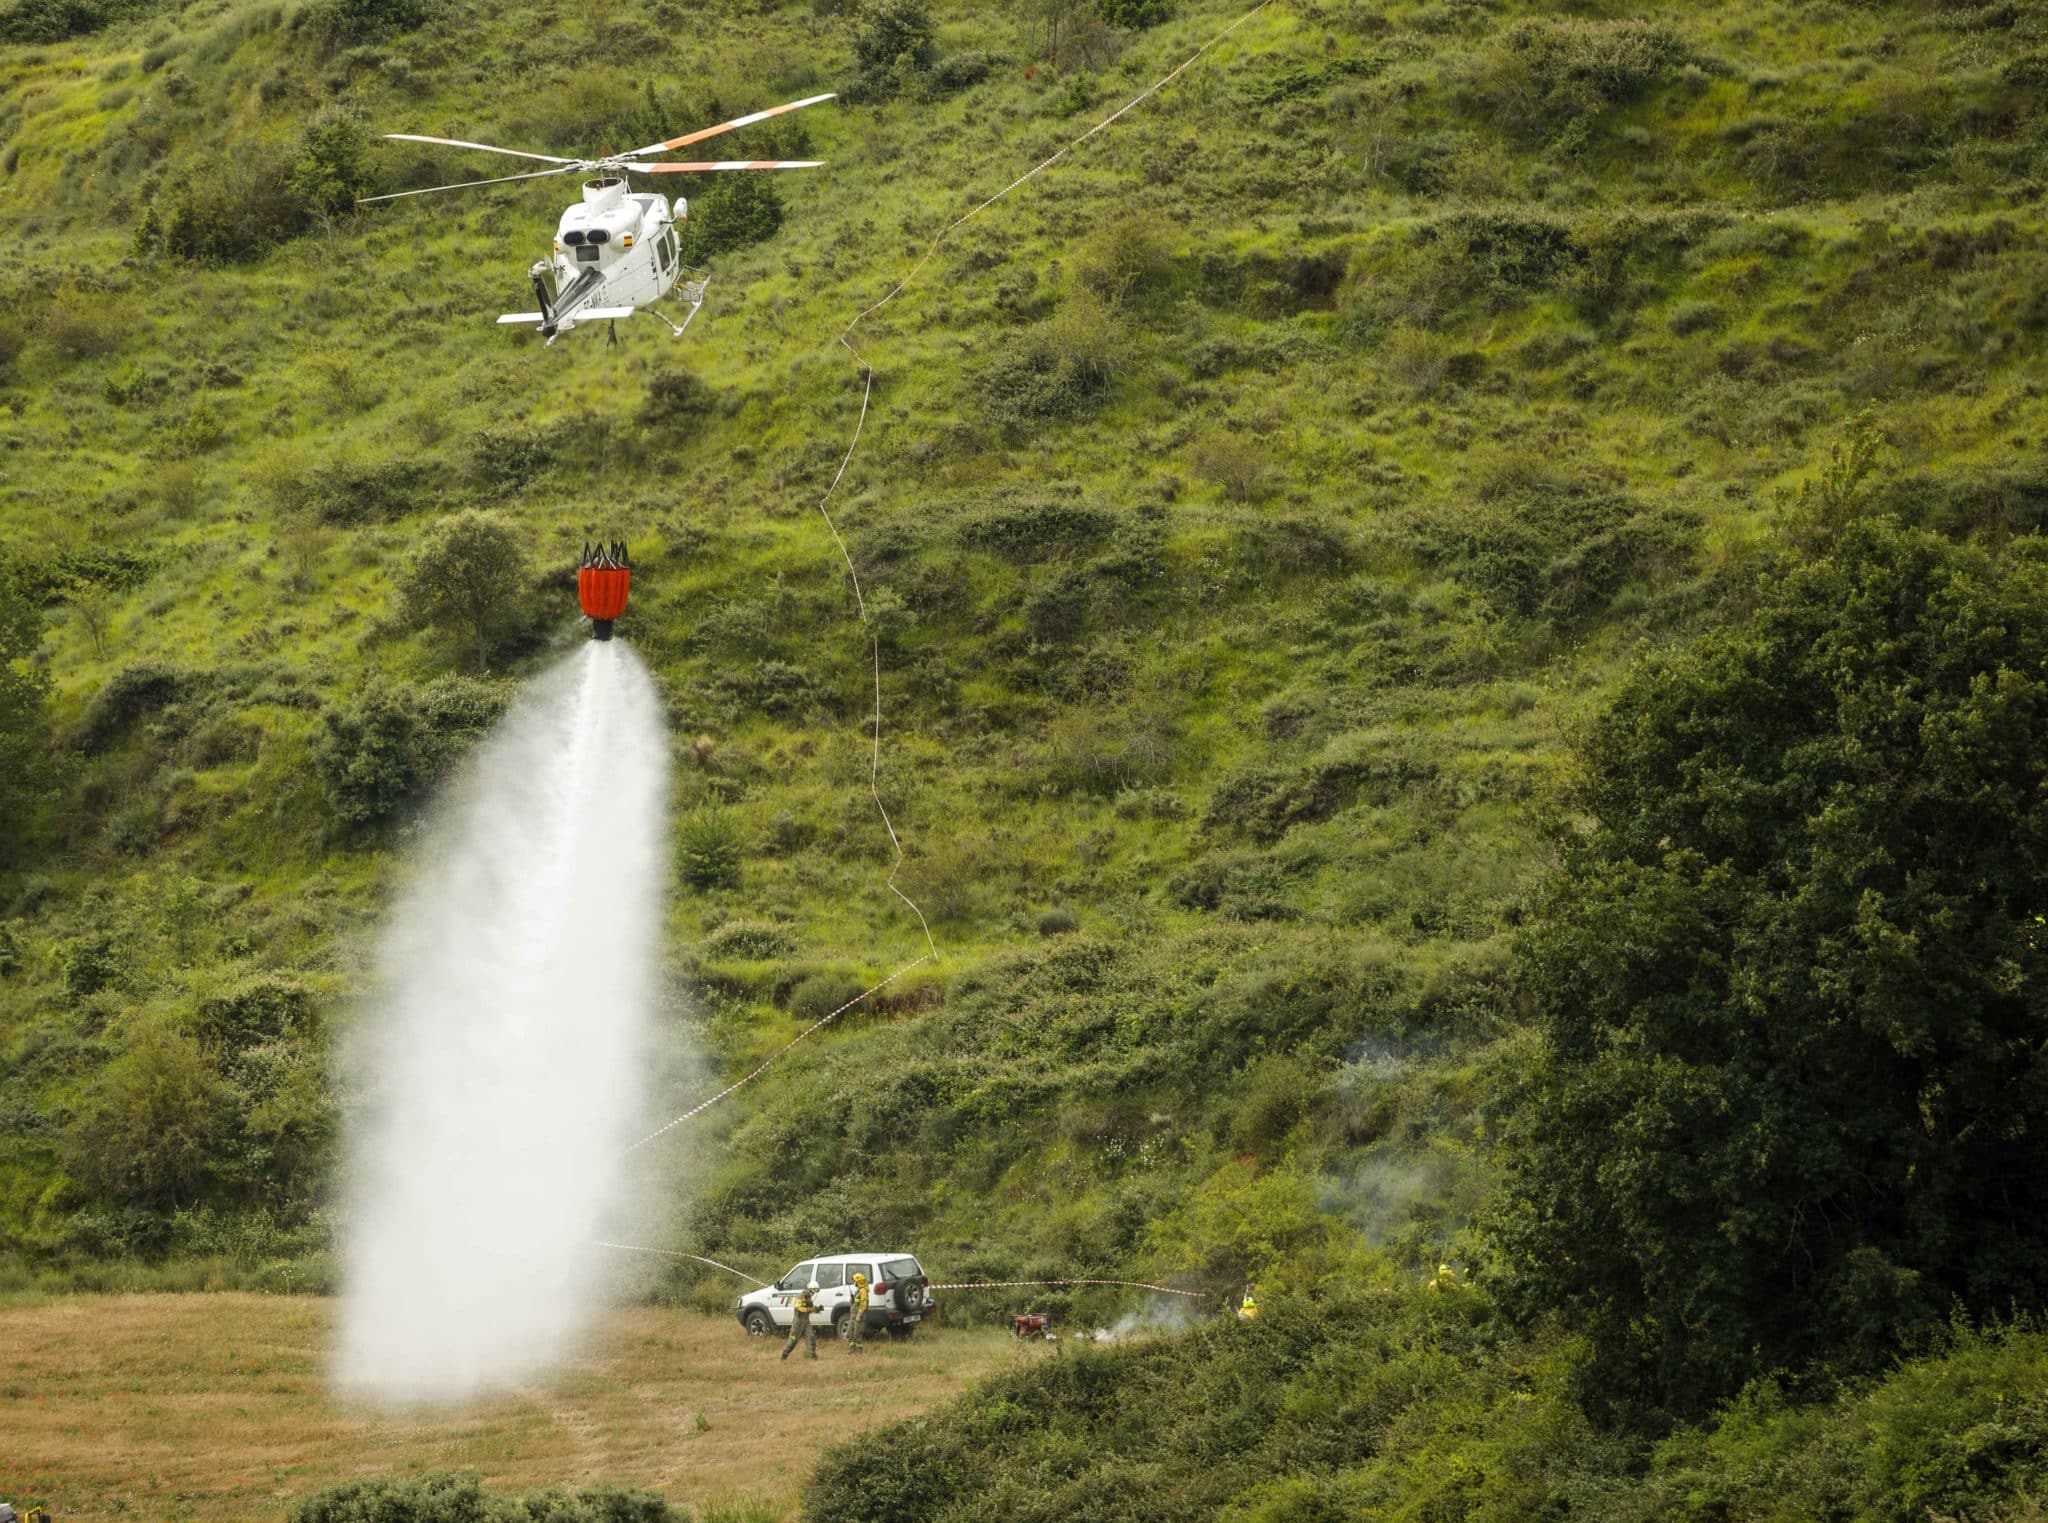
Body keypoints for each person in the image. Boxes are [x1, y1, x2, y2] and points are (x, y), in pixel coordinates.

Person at [781, 1279, 821, 1361]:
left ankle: (812, 1356)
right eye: (813, 1291)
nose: (814, 1293)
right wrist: (810, 1309)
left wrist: (817, 1309)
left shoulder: (809, 1297)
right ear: (809, 1289)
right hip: (798, 1321)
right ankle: (784, 1355)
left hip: (806, 1321)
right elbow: (798, 1308)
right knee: (793, 1340)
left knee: (811, 1337)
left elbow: (810, 1308)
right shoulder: (800, 1296)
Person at [846, 1272, 870, 1353]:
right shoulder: (858, 1290)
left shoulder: (863, 1291)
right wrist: (852, 1299)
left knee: (857, 1334)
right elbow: (854, 1303)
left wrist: (859, 1315)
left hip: (859, 1316)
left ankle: (858, 1351)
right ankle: (852, 1349)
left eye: (855, 1281)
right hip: (853, 1316)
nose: (854, 1283)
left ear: (858, 1281)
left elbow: (863, 1304)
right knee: (849, 1333)